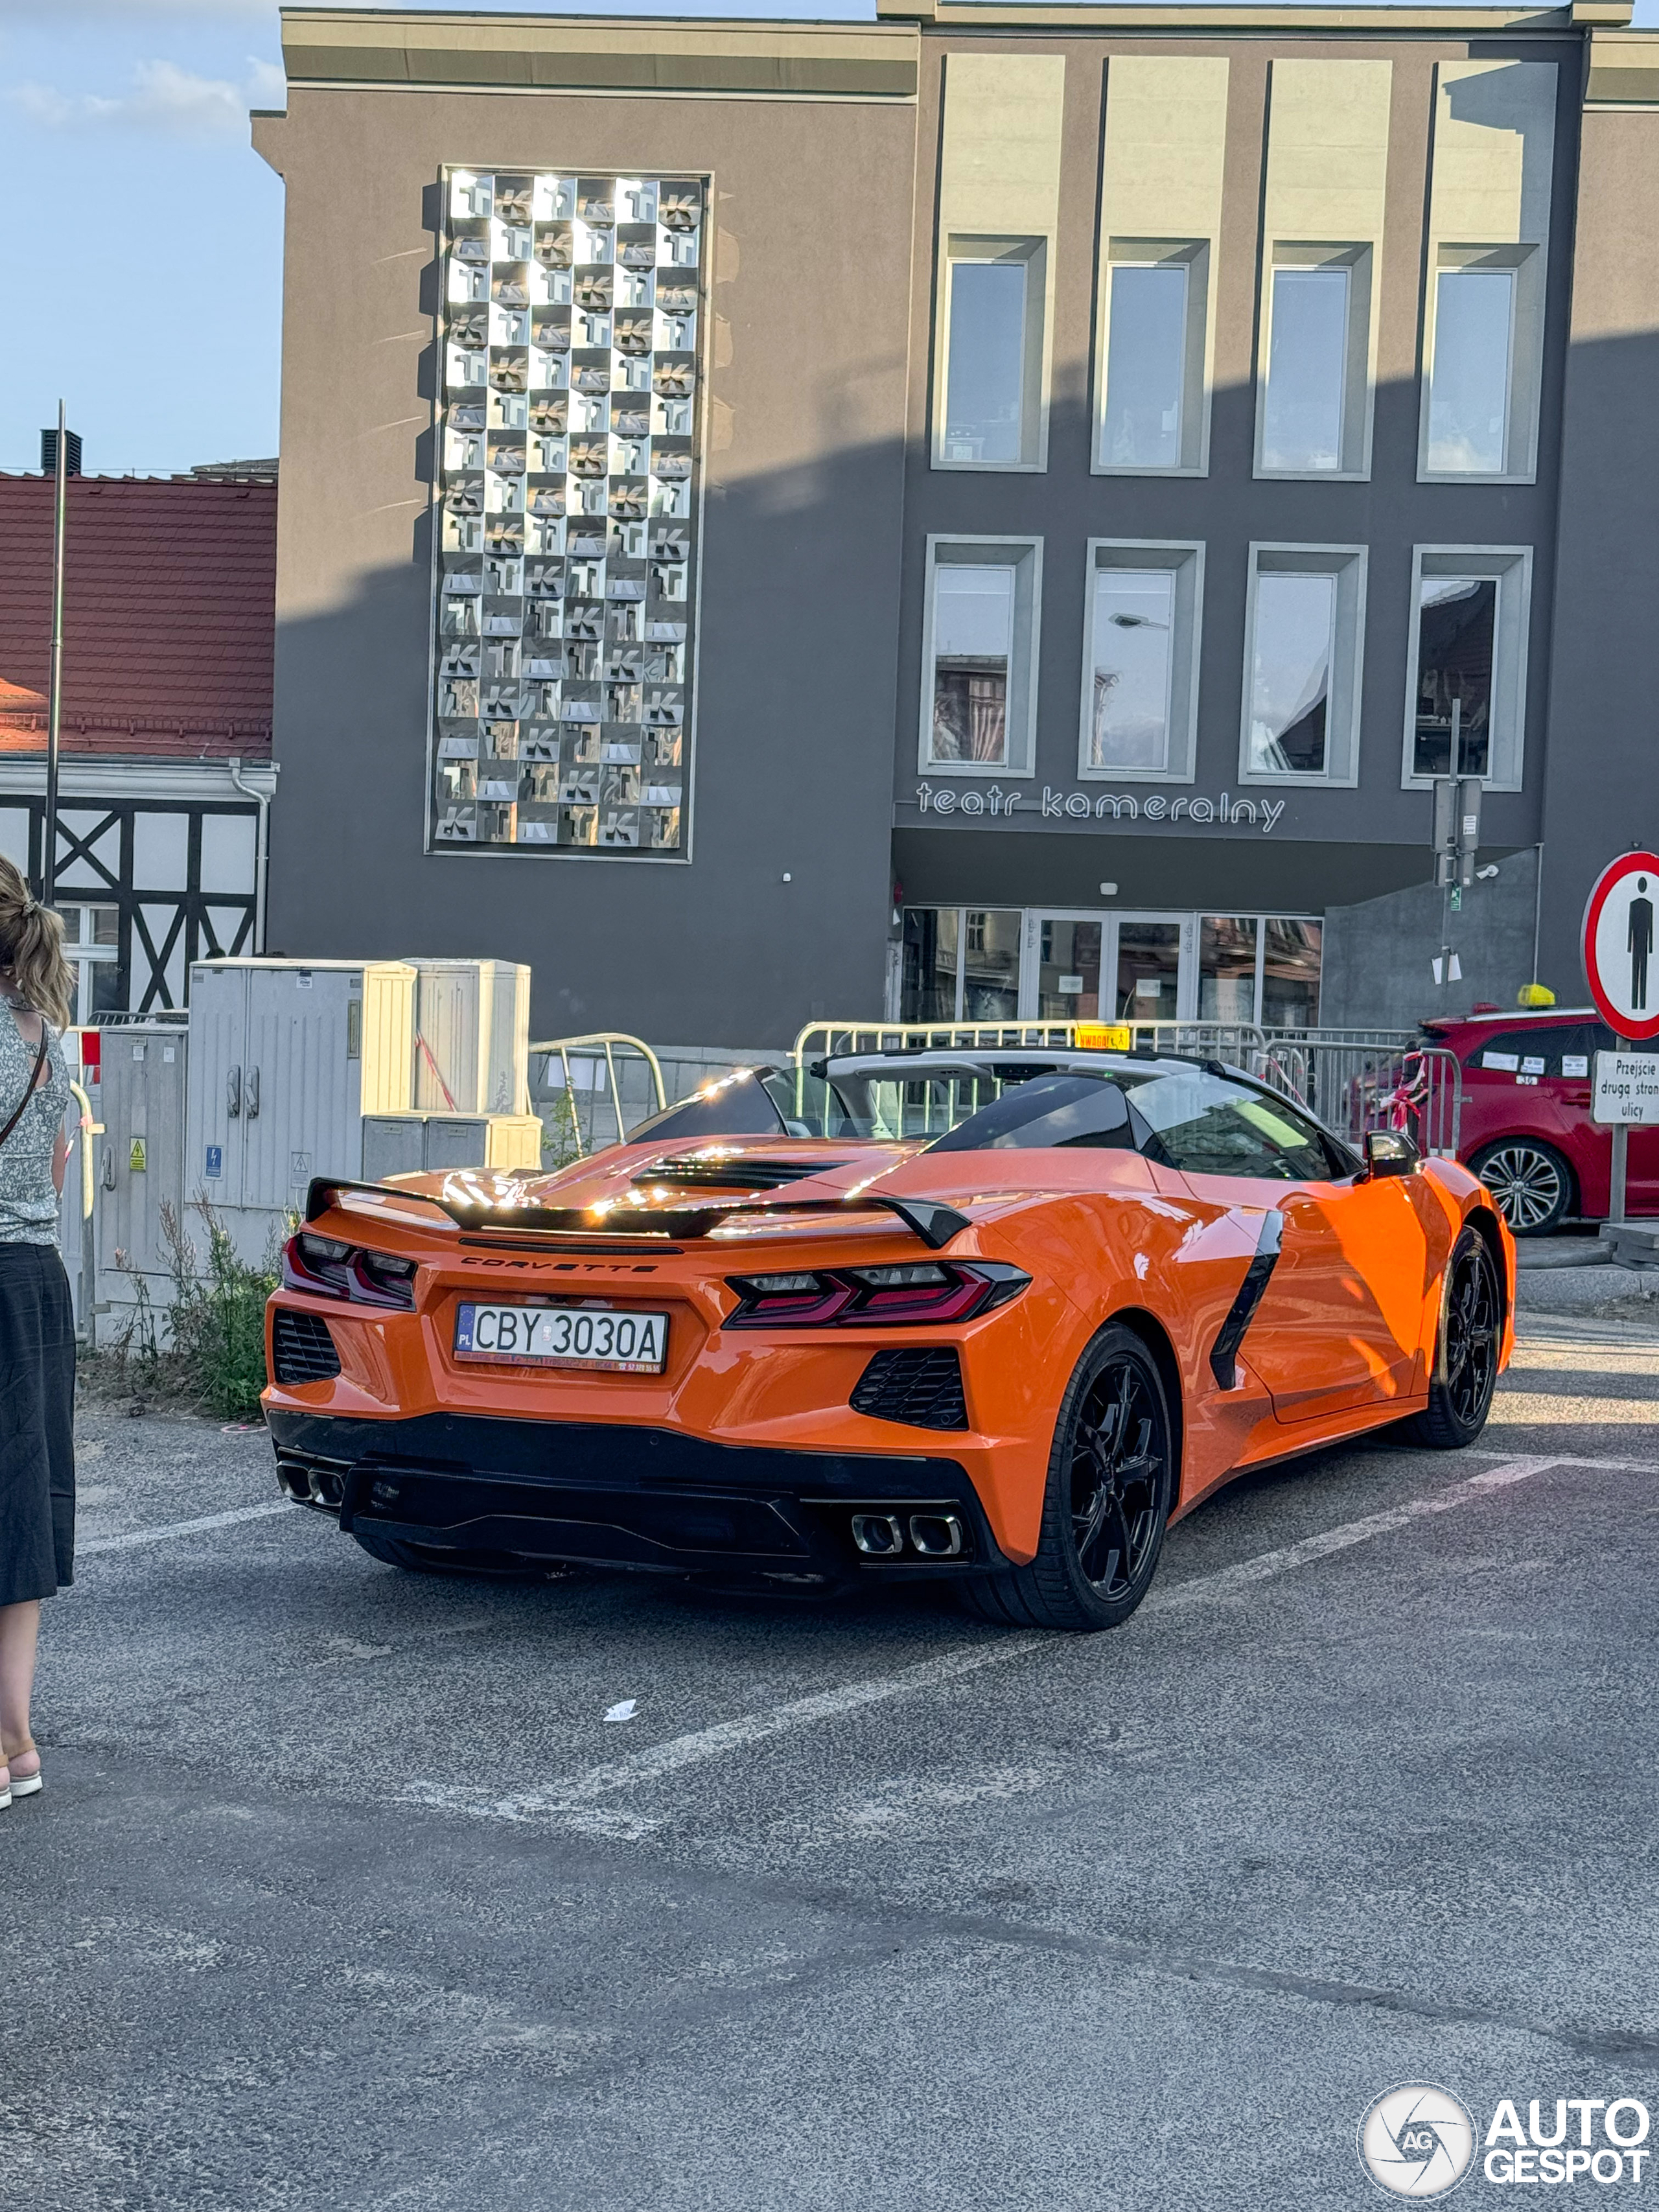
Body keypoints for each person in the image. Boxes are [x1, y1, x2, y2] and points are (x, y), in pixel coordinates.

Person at [0, 855, 77, 1811]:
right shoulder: (52, 1040)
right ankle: (16, 1737)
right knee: (17, 1506)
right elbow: (55, 1173)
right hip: (38, 1284)